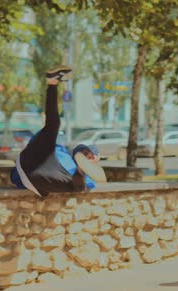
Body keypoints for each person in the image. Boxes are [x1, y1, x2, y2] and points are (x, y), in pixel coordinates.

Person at [10, 66, 107, 197]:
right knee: (54, 125)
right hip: (34, 160)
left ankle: (79, 173)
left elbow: (14, 178)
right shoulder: (61, 150)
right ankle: (52, 83)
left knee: (77, 186)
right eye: (85, 152)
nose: (87, 155)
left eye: (90, 156)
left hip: (48, 176)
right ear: (77, 153)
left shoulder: (85, 177)